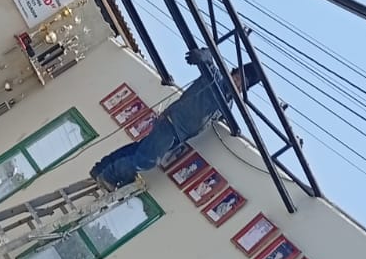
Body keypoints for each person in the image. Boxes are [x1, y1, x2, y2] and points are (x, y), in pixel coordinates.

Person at [91, 47, 259, 190]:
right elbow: (209, 62)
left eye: (241, 85)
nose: (237, 84)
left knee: (140, 149)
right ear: (232, 73)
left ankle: (102, 168)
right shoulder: (216, 77)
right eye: (237, 78)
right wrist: (205, 55)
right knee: (148, 160)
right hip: (172, 125)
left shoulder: (228, 105)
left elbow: (223, 119)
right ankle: (110, 176)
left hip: (178, 134)